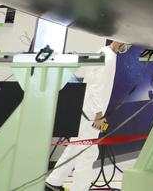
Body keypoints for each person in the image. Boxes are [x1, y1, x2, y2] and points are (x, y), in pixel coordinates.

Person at [45, 39, 131, 191]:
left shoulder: (105, 53)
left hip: (88, 111)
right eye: (128, 43)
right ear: (119, 40)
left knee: (79, 149)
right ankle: (72, 186)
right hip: (91, 114)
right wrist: (98, 115)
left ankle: (55, 183)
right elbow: (96, 88)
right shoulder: (108, 58)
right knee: (85, 152)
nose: (128, 47)